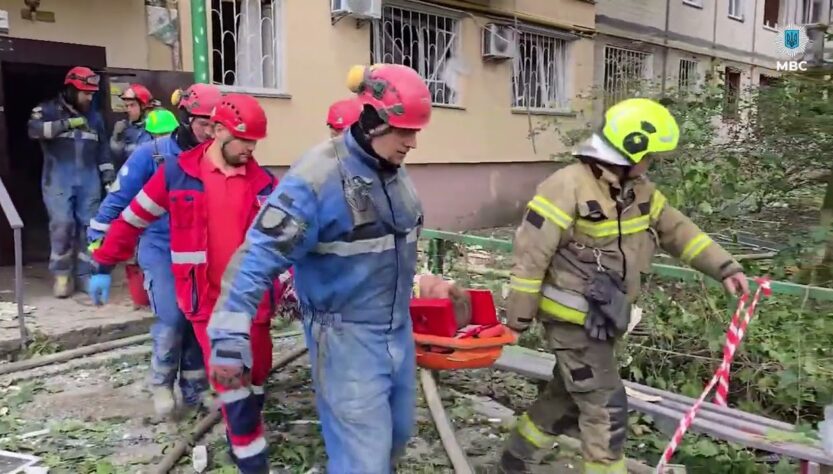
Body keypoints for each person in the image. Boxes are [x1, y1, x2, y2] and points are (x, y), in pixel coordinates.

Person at [498, 98, 750, 474]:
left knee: (565, 394)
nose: (653, 163)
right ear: (631, 149)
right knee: (606, 408)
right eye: (651, 155)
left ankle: (514, 459)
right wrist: (516, 321)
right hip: (571, 324)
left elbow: (678, 231)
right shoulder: (566, 187)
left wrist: (725, 268)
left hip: (605, 319)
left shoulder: (639, 192)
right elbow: (530, 258)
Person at [205, 63, 431, 473]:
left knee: (396, 439)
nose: (413, 143)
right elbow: (256, 257)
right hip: (346, 340)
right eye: (404, 131)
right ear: (372, 119)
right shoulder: (317, 178)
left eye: (416, 131)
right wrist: (227, 335)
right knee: (364, 461)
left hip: (397, 333)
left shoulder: (394, 174)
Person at [87, 93, 286, 474]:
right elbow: (132, 218)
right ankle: (250, 459)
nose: (250, 150)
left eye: (255, 143)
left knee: (257, 372)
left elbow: (287, 240)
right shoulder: (178, 173)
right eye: (243, 141)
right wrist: (103, 262)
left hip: (252, 303)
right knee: (232, 379)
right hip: (206, 301)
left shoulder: (263, 184)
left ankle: (242, 422)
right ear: (218, 130)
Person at [87, 84, 222, 417]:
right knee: (172, 317)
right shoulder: (153, 154)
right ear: (186, 118)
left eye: (216, 124)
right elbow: (118, 199)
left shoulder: (216, 155)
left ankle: (195, 388)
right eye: (204, 123)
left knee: (196, 316)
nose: (210, 132)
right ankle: (161, 382)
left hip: (200, 248)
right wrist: (100, 254)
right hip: (160, 245)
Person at [28, 66, 115, 298]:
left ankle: (85, 274)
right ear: (70, 89)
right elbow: (34, 131)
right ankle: (62, 274)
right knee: (63, 225)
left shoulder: (94, 117)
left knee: (91, 228)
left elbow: (103, 150)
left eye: (92, 93)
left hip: (89, 180)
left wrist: (108, 176)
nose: (89, 97)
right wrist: (66, 124)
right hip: (58, 179)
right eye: (85, 93)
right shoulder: (46, 110)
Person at [111, 83, 155, 170]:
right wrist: (117, 139)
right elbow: (118, 160)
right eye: (127, 106)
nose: (128, 110)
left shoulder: (155, 127)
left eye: (132, 105)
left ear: (143, 106)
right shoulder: (126, 128)